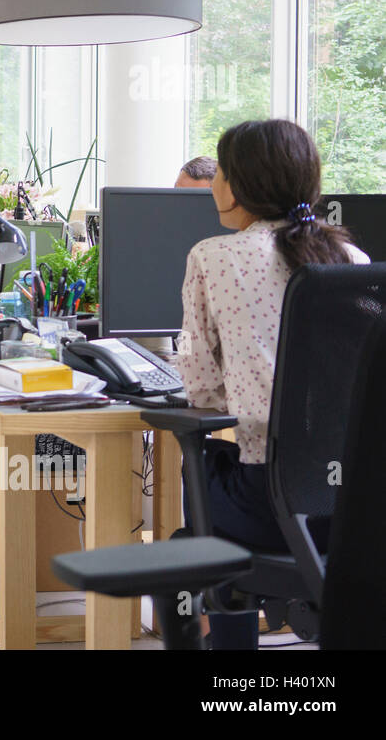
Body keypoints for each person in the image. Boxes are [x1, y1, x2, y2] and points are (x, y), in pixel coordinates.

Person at [176, 119, 368, 647]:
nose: (215, 185)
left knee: (195, 502)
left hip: (268, 509)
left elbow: (201, 392)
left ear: (237, 185)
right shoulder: (353, 260)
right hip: (353, 511)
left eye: (221, 173)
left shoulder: (213, 257)